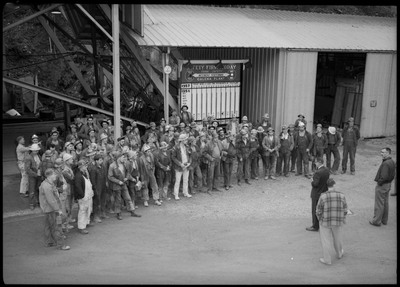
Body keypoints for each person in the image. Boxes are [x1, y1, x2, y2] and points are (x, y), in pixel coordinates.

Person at [316, 178, 347, 265]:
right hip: (337, 221)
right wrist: (342, 218)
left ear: (327, 186)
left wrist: (320, 219)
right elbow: (345, 210)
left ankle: (327, 259)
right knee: (337, 239)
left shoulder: (323, 196)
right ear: (334, 185)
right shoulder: (341, 195)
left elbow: (318, 210)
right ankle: (339, 253)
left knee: (325, 241)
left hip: (325, 222)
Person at [38, 168, 70, 250]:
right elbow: (51, 200)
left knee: (48, 226)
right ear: (50, 175)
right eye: (54, 174)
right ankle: (61, 245)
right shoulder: (48, 186)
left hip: (47, 210)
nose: (55, 175)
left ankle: (49, 242)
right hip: (52, 210)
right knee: (57, 227)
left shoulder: (46, 184)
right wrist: (58, 209)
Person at [369, 147, 396, 227]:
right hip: (388, 185)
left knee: (379, 204)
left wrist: (379, 183)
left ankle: (376, 221)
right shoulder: (392, 161)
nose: (381, 153)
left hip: (382, 185)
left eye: (383, 152)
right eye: (381, 152)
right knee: (385, 203)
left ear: (388, 153)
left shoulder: (386, 163)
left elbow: (383, 177)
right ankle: (384, 220)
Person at [108, 152, 140, 218]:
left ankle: (132, 211)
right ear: (118, 158)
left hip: (123, 184)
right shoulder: (112, 166)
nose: (124, 158)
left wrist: (126, 177)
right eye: (123, 157)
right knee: (118, 200)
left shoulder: (124, 164)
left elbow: (128, 172)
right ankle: (118, 213)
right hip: (116, 185)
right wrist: (118, 182)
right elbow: (110, 177)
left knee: (128, 198)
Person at [306, 158, 330, 232]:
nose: (315, 164)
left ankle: (315, 226)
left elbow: (315, 184)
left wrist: (312, 181)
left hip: (317, 194)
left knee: (315, 210)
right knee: (322, 209)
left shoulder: (318, 172)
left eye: (316, 162)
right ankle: (322, 223)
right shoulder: (326, 170)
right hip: (324, 192)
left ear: (319, 162)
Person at [74, 159, 94, 234]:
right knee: (82, 211)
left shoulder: (84, 173)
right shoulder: (78, 175)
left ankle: (86, 222)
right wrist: (82, 196)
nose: (86, 166)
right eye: (85, 165)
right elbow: (78, 187)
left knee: (88, 210)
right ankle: (81, 227)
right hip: (83, 197)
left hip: (88, 195)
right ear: (80, 167)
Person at [171, 134, 192, 200]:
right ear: (182, 140)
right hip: (179, 167)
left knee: (186, 180)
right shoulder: (175, 147)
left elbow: (190, 155)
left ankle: (185, 192)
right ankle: (176, 194)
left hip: (186, 165)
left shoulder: (187, 146)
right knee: (177, 181)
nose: (186, 140)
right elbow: (173, 157)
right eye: (185, 139)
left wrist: (189, 163)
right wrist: (180, 164)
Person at [25, 143, 43, 210]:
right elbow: (27, 169)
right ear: (32, 150)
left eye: (37, 150)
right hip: (33, 176)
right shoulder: (28, 157)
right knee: (32, 190)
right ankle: (32, 204)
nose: (36, 151)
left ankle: (38, 202)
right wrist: (35, 174)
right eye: (35, 150)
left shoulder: (38, 156)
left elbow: (40, 164)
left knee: (39, 189)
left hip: (38, 175)